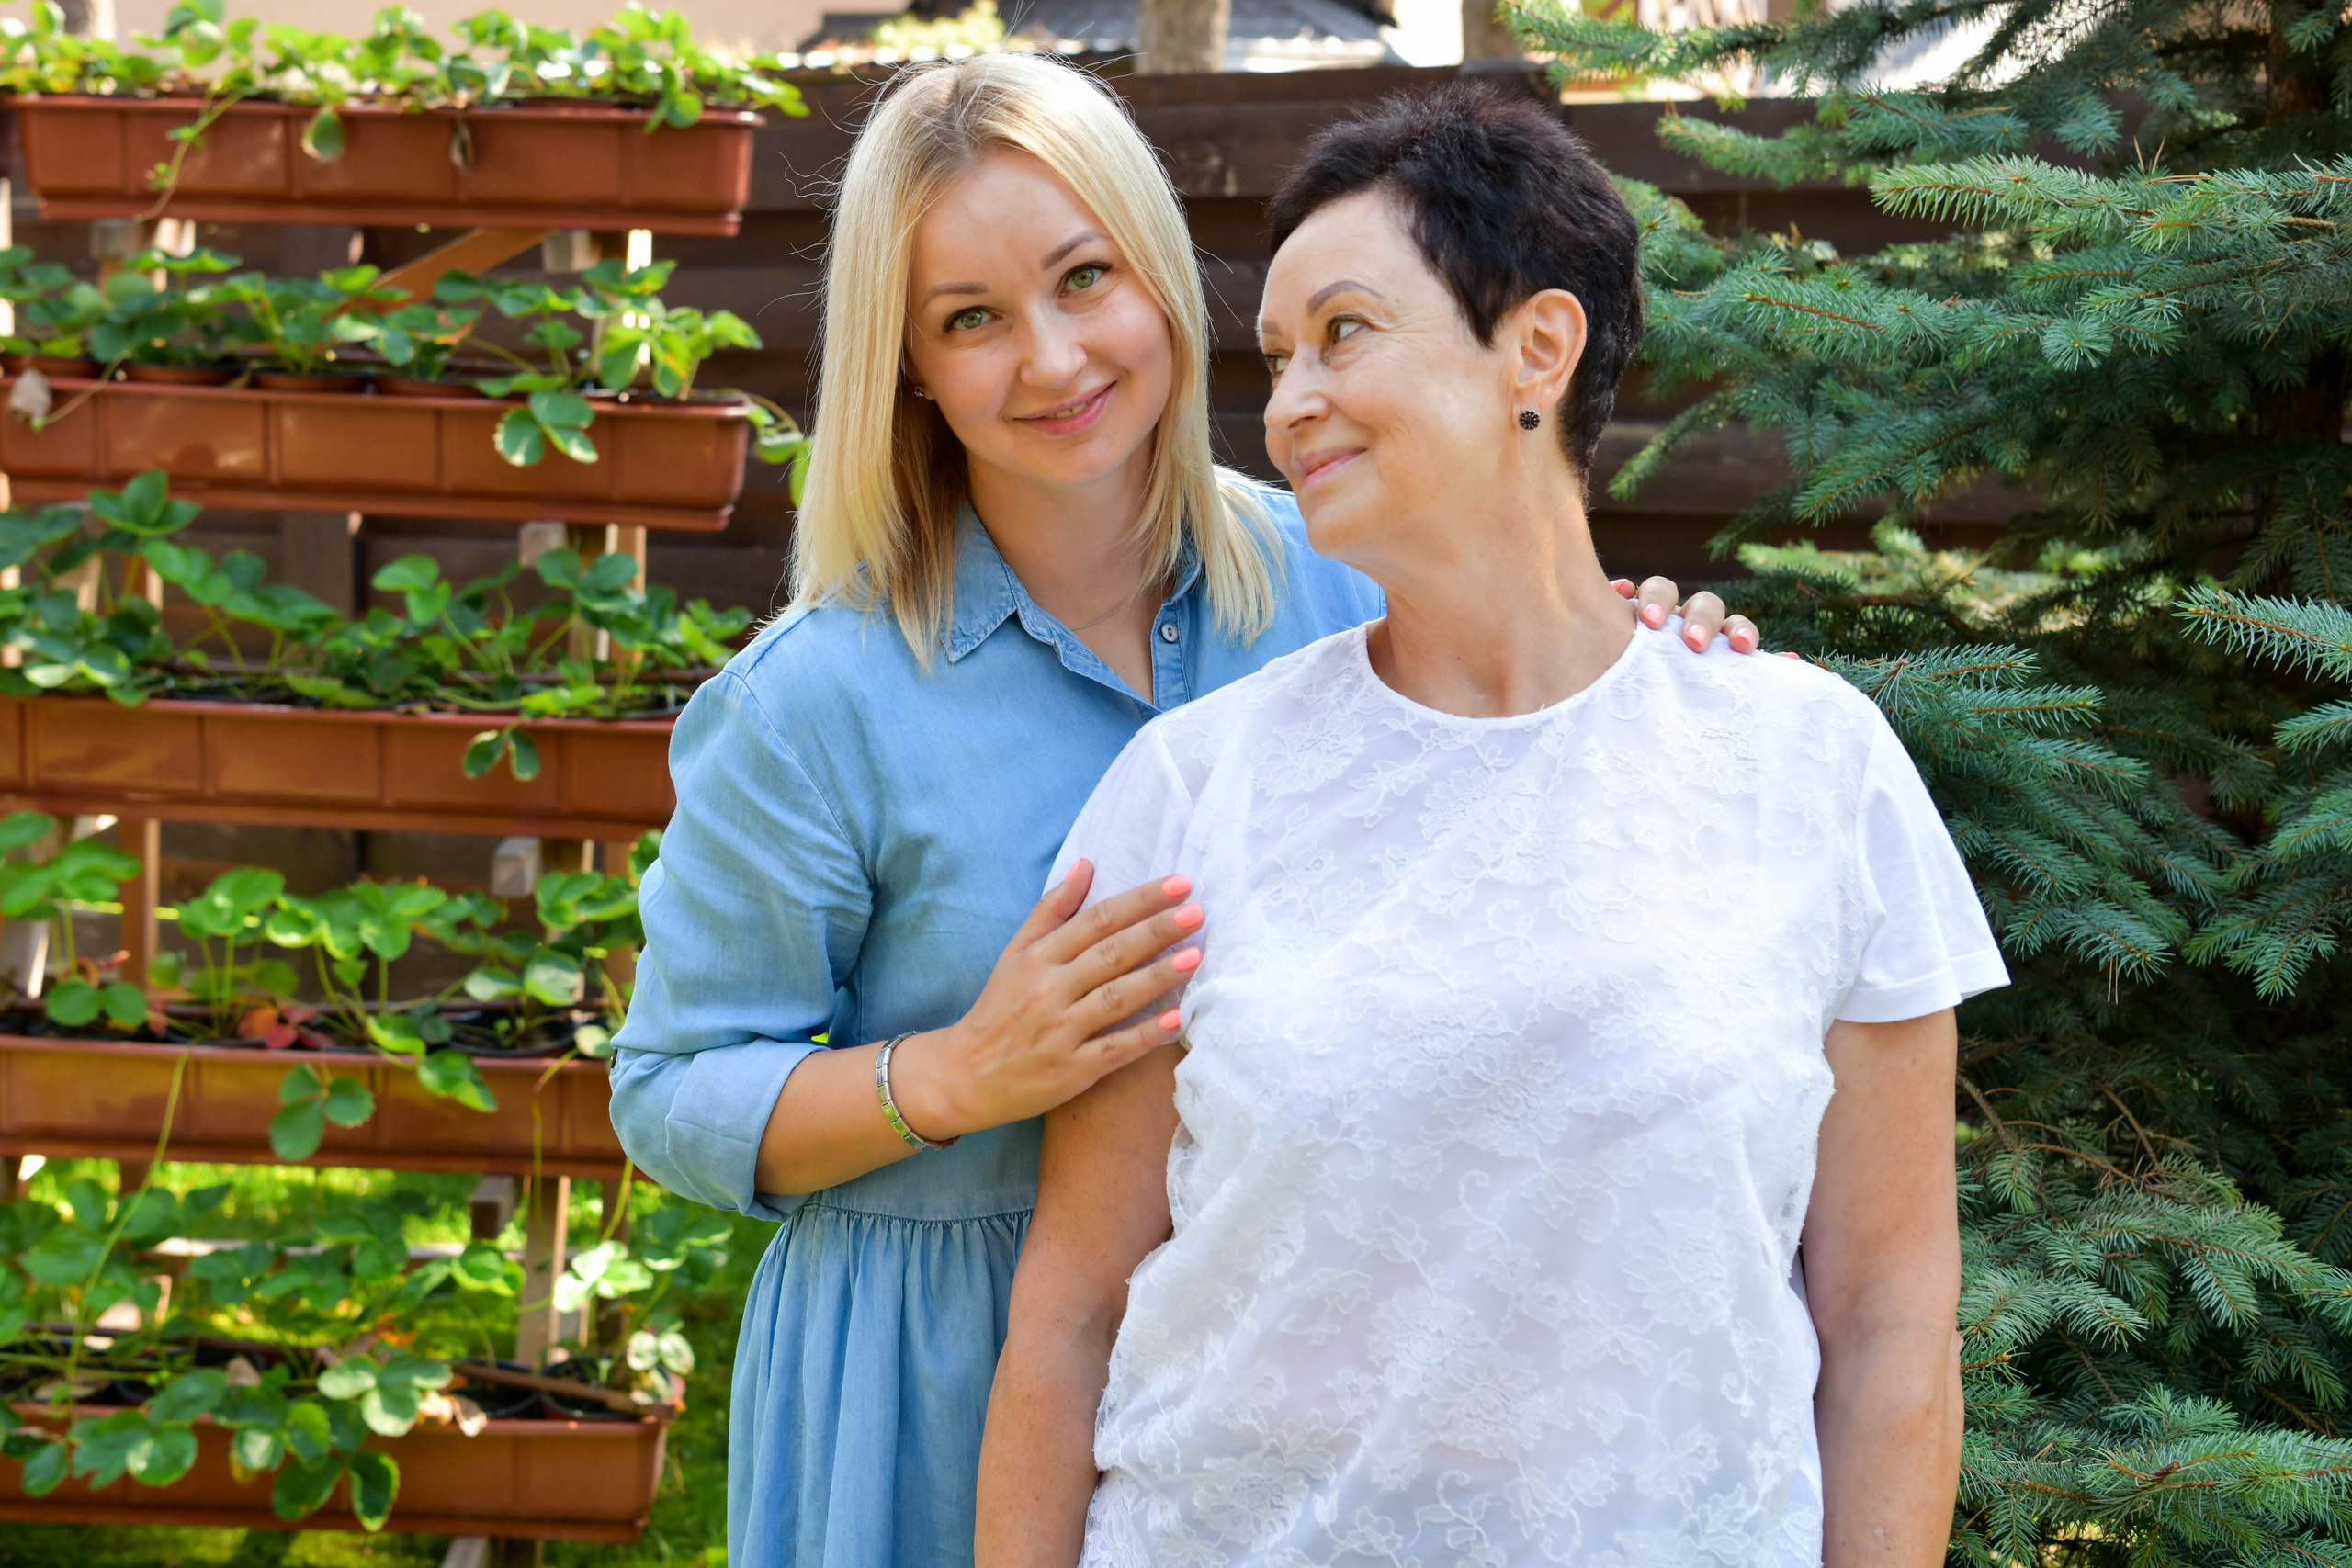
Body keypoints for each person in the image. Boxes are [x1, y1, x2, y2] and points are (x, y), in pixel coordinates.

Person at [609, 57, 1754, 1568]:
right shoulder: (818, 702)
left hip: (1291, 1340)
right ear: (909, 368)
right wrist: (949, 1075)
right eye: (971, 319)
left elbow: (1537, 709)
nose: (1053, 357)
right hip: (937, 1368)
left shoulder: (1353, 575)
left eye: (1087, 280)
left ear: (1159, 275)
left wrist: (1644, 645)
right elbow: (669, 1092)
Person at [976, 84, 2008, 1568]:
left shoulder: (1811, 766)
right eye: (1275, 360)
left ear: (1538, 344)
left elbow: (1894, 1322)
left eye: (1343, 333)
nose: (1288, 404)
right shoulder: (1197, 786)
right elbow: (1072, 1309)